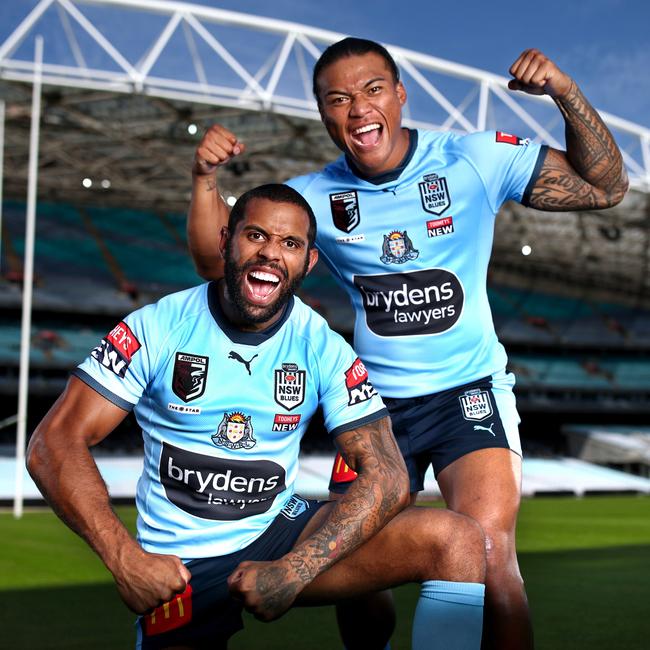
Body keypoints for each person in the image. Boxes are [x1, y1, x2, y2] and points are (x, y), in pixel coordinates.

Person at [186, 42, 628, 650]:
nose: (358, 109)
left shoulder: (471, 158)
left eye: (372, 89)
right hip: (372, 409)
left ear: (399, 95)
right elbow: (218, 262)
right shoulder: (313, 197)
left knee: (492, 553)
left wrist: (565, 91)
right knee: (357, 573)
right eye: (337, 99)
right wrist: (205, 180)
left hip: (468, 393)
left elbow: (607, 188)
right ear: (322, 113)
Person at [27, 184, 487, 650]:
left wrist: (295, 569)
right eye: (256, 236)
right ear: (226, 240)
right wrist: (124, 559)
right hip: (181, 567)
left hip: (278, 533)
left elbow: (387, 475)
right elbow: (53, 442)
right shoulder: (157, 327)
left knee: (457, 541)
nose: (270, 253)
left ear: (308, 262)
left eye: (290, 244)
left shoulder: (321, 345)